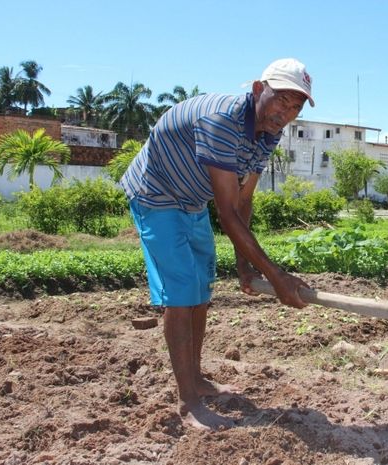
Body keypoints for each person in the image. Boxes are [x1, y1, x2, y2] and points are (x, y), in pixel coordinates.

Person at [120, 58, 313, 430]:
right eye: (281, 100)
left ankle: (195, 379)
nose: (285, 113)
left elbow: (244, 200)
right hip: (156, 195)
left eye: (295, 107)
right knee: (180, 292)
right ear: (259, 89)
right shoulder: (222, 121)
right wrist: (276, 276)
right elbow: (227, 214)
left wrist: (246, 264)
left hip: (192, 201)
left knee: (201, 290)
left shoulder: (267, 132)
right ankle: (188, 400)